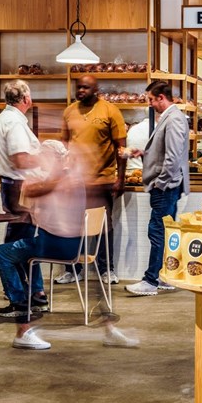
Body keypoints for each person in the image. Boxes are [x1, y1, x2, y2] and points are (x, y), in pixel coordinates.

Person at [0, 141, 138, 349]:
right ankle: (108, 327)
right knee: (27, 255)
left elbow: (30, 202)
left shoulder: (54, 181)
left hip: (54, 245)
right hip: (78, 246)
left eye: (43, 156)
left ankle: (23, 325)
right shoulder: (74, 177)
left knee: (3, 253)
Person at [57, 75, 127, 286]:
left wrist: (120, 179)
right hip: (74, 181)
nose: (80, 91)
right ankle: (72, 269)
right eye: (79, 88)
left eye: (85, 88)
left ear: (96, 90)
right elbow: (64, 144)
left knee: (104, 227)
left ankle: (107, 270)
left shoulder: (110, 110)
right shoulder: (69, 111)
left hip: (102, 180)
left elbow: (121, 148)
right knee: (70, 226)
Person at [125, 81, 190, 297]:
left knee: (157, 231)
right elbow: (165, 152)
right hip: (167, 186)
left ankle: (150, 280)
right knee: (164, 231)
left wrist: (159, 184)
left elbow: (172, 158)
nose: (150, 104)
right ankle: (162, 276)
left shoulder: (174, 119)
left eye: (151, 100)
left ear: (162, 97)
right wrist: (143, 153)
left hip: (166, 188)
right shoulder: (171, 118)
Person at [0, 80, 41, 243]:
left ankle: (18, 267)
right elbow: (20, 160)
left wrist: (3, 166)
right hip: (20, 187)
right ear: (26, 99)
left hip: (10, 185)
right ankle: (15, 268)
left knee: (18, 232)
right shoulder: (14, 122)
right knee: (22, 237)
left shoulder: (1, 119)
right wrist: (45, 160)